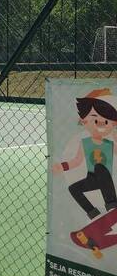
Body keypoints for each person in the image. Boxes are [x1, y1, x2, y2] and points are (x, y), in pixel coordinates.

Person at [53, 88, 117, 220]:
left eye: (106, 122)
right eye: (94, 120)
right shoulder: (85, 143)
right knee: (73, 188)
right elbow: (76, 161)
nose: (100, 123)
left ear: (113, 124)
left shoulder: (110, 144)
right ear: (84, 121)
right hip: (91, 178)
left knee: (100, 167)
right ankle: (93, 214)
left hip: (106, 179)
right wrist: (63, 166)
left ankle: (112, 206)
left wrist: (115, 138)